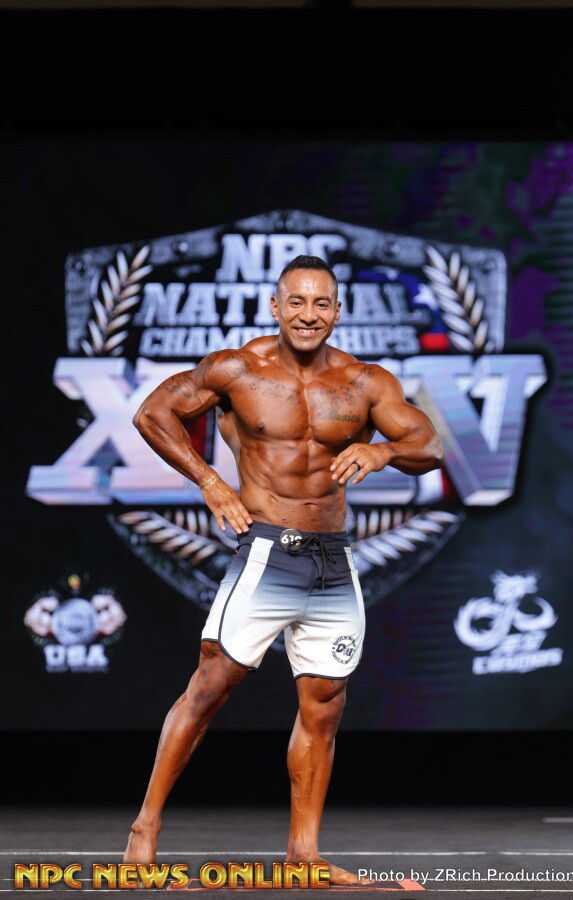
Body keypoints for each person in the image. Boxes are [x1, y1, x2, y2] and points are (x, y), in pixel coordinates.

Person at [124, 255, 443, 884]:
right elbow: (152, 414)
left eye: (321, 303)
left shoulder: (364, 382)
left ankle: (304, 855)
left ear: (338, 312)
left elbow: (428, 445)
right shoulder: (237, 369)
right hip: (267, 550)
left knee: (324, 705)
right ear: (276, 306)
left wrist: (382, 451)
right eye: (296, 301)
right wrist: (210, 481)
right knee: (210, 686)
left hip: (333, 560)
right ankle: (145, 827)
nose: (308, 314)